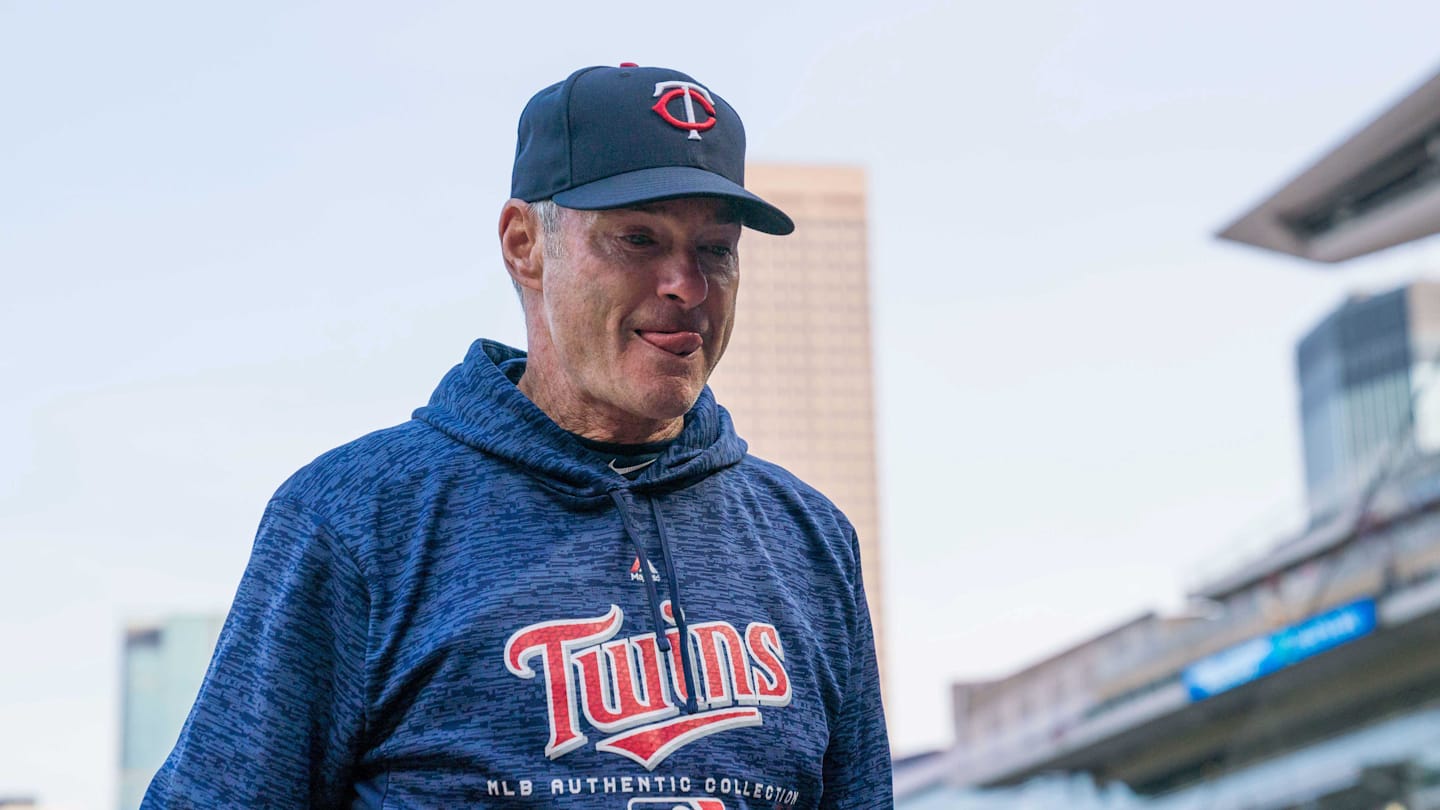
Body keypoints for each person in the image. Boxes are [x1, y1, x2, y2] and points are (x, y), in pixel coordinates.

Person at [143, 63, 891, 809]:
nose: (686, 286)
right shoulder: (356, 519)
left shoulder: (810, 540)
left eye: (715, 250)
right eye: (637, 238)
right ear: (525, 244)